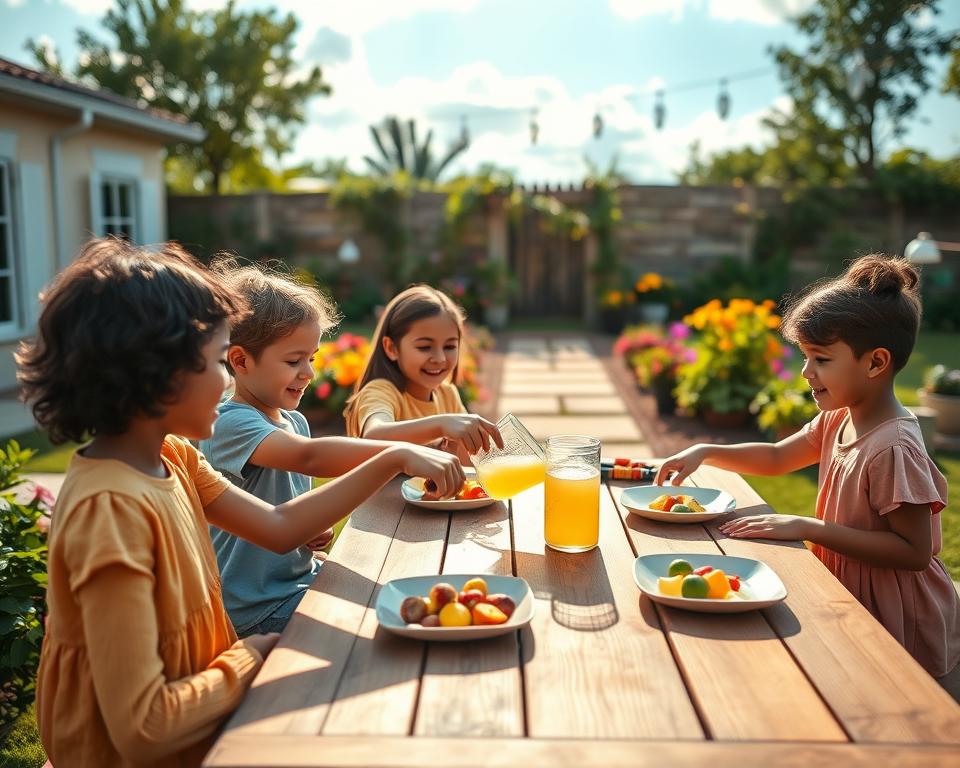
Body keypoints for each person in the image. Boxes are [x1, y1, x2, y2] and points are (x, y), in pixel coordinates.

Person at [18, 239, 465, 767]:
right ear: (156, 375)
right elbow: (145, 728)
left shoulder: (175, 456)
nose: (228, 381)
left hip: (200, 721)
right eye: (215, 362)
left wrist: (392, 460)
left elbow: (277, 527)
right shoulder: (110, 512)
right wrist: (250, 657)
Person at [655, 254, 959, 696]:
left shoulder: (893, 447)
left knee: (895, 709)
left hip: (899, 613)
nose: (805, 372)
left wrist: (807, 526)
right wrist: (707, 451)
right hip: (850, 591)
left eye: (820, 359)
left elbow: (913, 553)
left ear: (875, 363)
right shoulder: (841, 417)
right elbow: (779, 457)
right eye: (805, 357)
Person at [201, 260, 437, 636]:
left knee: (401, 587)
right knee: (379, 629)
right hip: (258, 608)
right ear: (240, 360)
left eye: (310, 359)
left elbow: (288, 510)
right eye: (294, 361)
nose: (309, 373)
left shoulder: (294, 422)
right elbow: (309, 457)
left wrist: (313, 533)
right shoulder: (229, 423)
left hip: (298, 581)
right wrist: (400, 453)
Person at [343, 285, 502, 464]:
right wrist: (441, 426)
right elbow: (374, 435)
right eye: (424, 347)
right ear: (391, 348)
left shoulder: (448, 395)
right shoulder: (380, 391)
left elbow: (470, 468)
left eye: (449, 346)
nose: (440, 358)